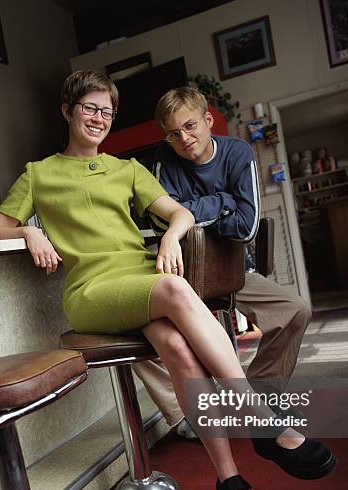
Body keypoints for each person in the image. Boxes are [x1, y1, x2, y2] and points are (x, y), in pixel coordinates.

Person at [0, 71, 335, 490]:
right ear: (67, 111)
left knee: (176, 347)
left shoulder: (126, 168)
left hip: (139, 274)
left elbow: (181, 213)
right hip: (91, 290)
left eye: (106, 110)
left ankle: (229, 481)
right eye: (89, 108)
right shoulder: (37, 174)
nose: (98, 118)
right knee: (174, 290)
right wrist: (29, 230)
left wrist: (170, 235)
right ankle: (262, 421)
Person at [132, 86, 320, 446]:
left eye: (190, 126)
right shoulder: (162, 158)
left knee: (295, 311)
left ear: (207, 120)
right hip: (182, 273)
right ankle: (188, 414)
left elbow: (246, 226)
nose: (183, 138)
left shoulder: (237, 152)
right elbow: (161, 223)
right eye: (173, 133)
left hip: (233, 269)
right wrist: (222, 202)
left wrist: (190, 211)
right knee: (142, 334)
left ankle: (263, 393)